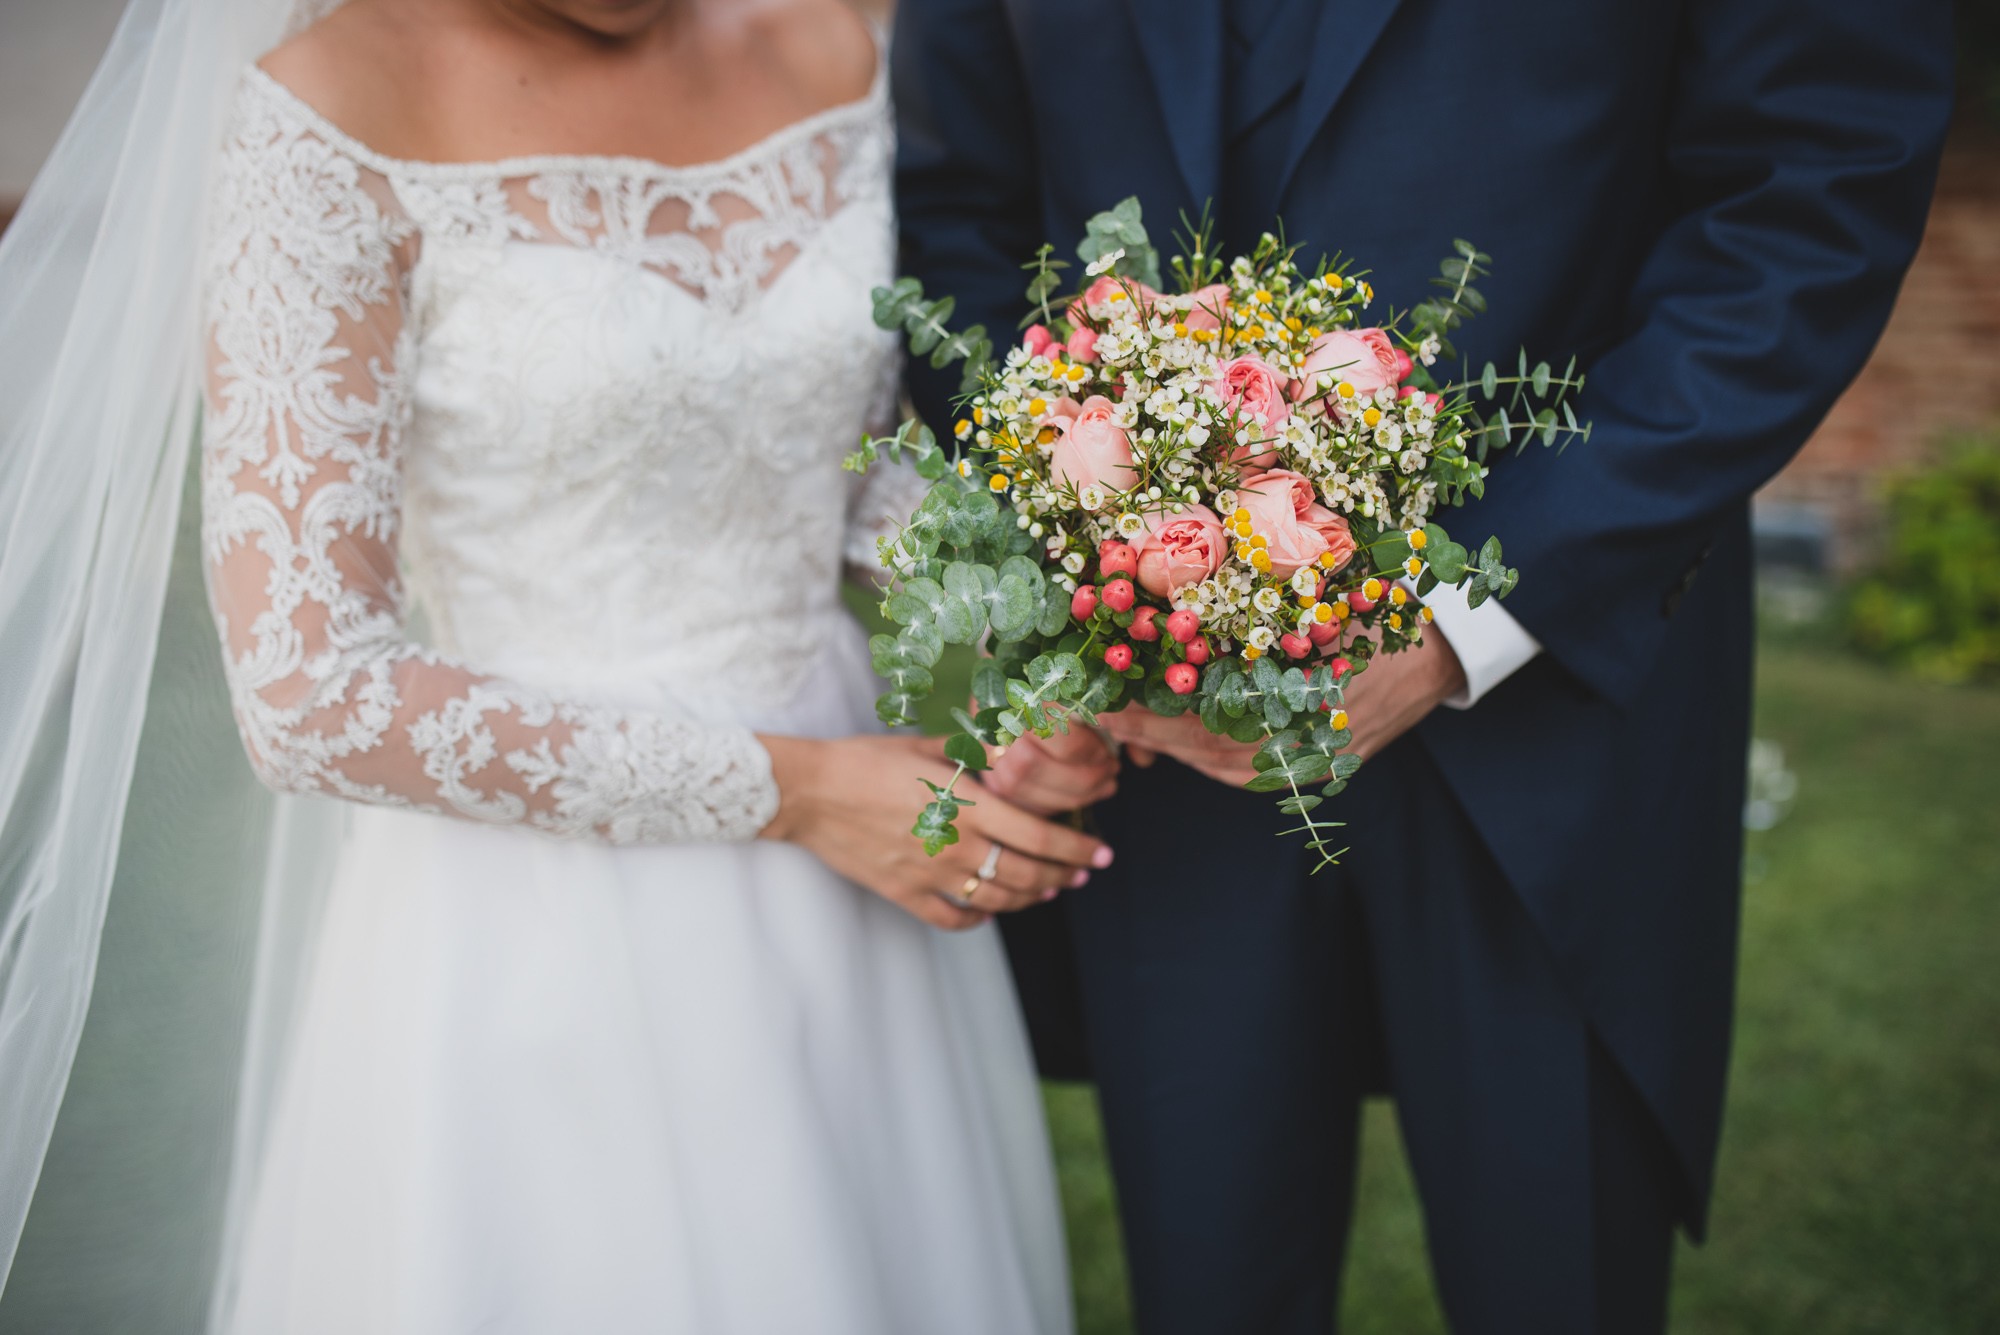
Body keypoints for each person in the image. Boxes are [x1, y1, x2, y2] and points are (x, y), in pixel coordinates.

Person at [0, 1, 1092, 1330]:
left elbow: (842, 471)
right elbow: (311, 697)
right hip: (538, 920)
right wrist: (798, 793)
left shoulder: (832, 41)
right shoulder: (325, 112)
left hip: (858, 892)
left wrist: (1044, 650)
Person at [893, 0, 1955, 1330]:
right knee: (1207, 1281)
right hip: (1166, 736)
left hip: (1561, 707)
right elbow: (950, 214)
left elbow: (1810, 193)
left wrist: (1467, 616)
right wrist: (1093, 510)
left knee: (1554, 1276)